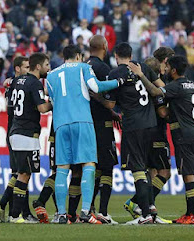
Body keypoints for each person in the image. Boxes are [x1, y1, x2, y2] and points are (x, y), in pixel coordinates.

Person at [45, 45, 123, 224]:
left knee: (63, 168)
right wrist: (117, 82)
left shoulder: (51, 75)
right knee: (89, 163)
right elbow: (95, 86)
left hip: (60, 124)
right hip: (82, 121)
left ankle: (62, 214)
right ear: (79, 56)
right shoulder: (84, 68)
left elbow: (50, 96)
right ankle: (86, 211)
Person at [129, 55, 194, 225]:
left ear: (174, 70)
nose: (166, 70)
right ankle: (189, 213)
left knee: (188, 176)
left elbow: (156, 92)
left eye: (168, 67)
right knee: (188, 174)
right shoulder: (192, 84)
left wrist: (141, 75)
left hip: (184, 134)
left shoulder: (176, 86)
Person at [105, 43, 164, 225]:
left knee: (137, 168)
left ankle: (145, 214)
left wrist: (97, 94)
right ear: (131, 55)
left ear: (116, 56)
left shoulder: (115, 73)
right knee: (145, 168)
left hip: (133, 125)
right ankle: (149, 210)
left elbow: (109, 104)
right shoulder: (142, 66)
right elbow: (161, 87)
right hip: (152, 125)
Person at [8, 53, 53, 224]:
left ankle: (16, 214)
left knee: (22, 173)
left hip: (16, 130)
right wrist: (55, 102)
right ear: (38, 66)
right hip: (27, 133)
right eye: (47, 65)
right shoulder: (35, 83)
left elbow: (10, 105)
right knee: (24, 175)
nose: (48, 68)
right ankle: (15, 215)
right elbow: (42, 108)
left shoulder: (17, 81)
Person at [0, 56, 36, 223]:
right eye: (26, 67)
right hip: (19, 132)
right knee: (23, 173)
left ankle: (7, 207)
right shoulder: (17, 85)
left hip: (13, 132)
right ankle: (18, 213)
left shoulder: (12, 84)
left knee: (19, 173)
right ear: (18, 69)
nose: (28, 69)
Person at [84, 35, 119, 224]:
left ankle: (88, 208)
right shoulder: (103, 68)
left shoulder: (82, 66)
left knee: (92, 167)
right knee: (107, 168)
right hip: (102, 125)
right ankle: (103, 212)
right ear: (105, 46)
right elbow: (107, 100)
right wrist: (112, 110)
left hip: (85, 123)